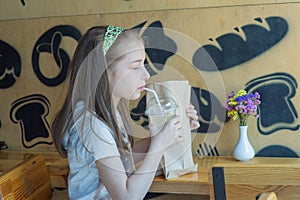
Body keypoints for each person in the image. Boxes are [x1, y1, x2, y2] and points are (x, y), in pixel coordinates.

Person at [51, 25, 200, 200]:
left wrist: (170, 133)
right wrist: (158, 146)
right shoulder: (92, 126)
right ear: (104, 72)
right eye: (135, 66)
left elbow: (118, 156)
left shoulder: (104, 111)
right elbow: (127, 197)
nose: (146, 74)